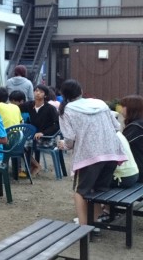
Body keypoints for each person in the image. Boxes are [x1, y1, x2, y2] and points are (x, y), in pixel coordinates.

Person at [56, 79, 126, 225]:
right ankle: (94, 223)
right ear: (81, 91)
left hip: (88, 156)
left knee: (80, 192)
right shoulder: (100, 103)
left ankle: (83, 228)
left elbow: (70, 139)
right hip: (111, 153)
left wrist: (65, 145)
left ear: (63, 95)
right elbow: (116, 127)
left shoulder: (66, 111)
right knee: (98, 190)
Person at [20, 84, 60, 177]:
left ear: (45, 95)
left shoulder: (50, 108)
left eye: (41, 92)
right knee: (18, 144)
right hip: (32, 137)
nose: (38, 93)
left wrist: (43, 133)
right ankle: (33, 165)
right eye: (36, 91)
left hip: (47, 138)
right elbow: (16, 108)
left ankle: (35, 166)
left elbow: (57, 125)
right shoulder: (29, 105)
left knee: (22, 145)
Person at [120, 95, 143, 182]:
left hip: (138, 172)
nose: (121, 110)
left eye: (123, 106)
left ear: (131, 109)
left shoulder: (135, 127)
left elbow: (120, 146)